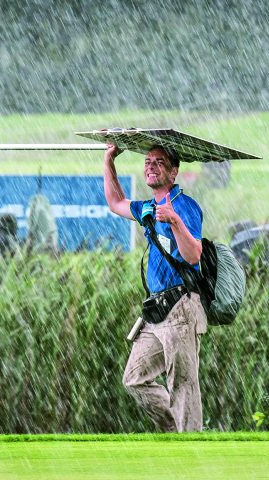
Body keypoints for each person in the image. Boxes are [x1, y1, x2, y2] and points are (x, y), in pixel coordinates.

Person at [103, 143, 207, 433]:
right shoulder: (148, 208)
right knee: (134, 378)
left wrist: (174, 220)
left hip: (181, 307)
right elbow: (115, 203)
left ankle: (191, 449)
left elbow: (194, 254)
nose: (150, 166)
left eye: (159, 162)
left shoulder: (186, 206)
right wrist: (108, 159)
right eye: (148, 161)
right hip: (156, 311)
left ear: (174, 172)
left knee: (183, 385)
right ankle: (175, 431)